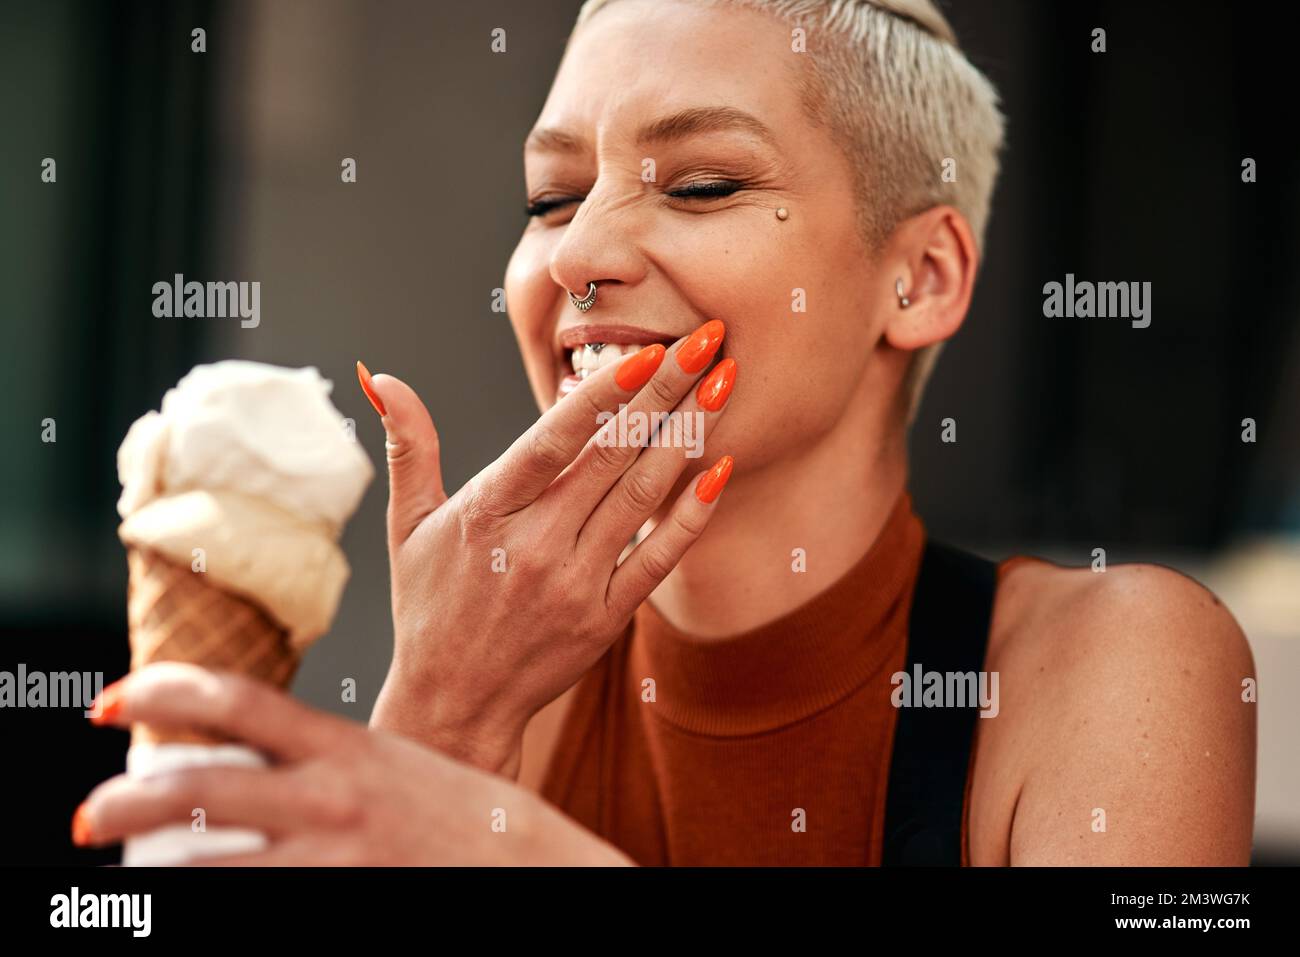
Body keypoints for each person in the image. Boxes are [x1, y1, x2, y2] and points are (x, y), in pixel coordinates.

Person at [73, 0, 1255, 865]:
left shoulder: (1118, 662)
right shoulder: (494, 696)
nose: (577, 256)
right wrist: (434, 715)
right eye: (549, 198)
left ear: (923, 278)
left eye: (700, 186)